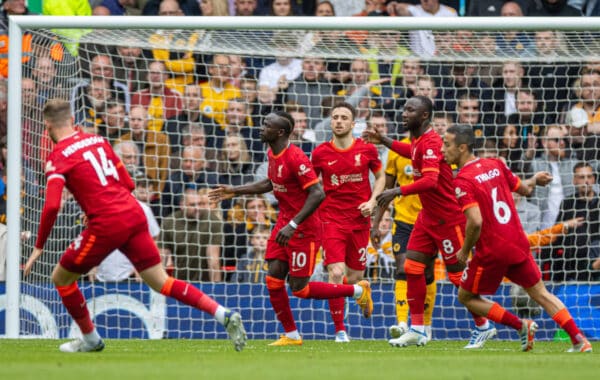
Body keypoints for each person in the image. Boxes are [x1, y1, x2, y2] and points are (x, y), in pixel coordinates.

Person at [23, 99, 247, 352]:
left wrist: (39, 247)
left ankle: (91, 340)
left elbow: (52, 206)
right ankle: (223, 314)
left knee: (61, 278)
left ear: (47, 125)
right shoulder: (99, 141)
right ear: (73, 121)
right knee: (161, 281)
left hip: (108, 222)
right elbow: (128, 183)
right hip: (133, 213)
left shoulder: (57, 156)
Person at [209, 111, 373, 346]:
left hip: (304, 229)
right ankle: (292, 335)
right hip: (285, 224)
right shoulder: (272, 153)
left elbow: (317, 193)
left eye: (266, 125)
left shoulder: (296, 157)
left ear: (280, 132)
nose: (261, 128)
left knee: (300, 289)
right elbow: (271, 182)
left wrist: (294, 224)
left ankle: (357, 291)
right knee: (273, 279)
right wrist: (234, 191)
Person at [441, 123, 592, 353]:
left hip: (492, 249)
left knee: (466, 295)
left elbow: (476, 221)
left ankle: (521, 325)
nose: (443, 149)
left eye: (447, 144)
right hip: (517, 242)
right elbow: (523, 188)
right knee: (541, 293)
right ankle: (579, 340)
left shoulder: (462, 181)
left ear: (462, 148)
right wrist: (534, 179)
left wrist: (464, 251)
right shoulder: (496, 164)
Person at [362, 96, 494, 349]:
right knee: (411, 267)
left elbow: (432, 182)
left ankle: (483, 325)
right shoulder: (418, 141)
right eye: (404, 108)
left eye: (410, 110)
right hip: (428, 218)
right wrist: (383, 140)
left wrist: (398, 191)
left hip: (448, 219)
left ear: (424, 116)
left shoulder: (432, 141)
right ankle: (418, 329)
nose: (404, 113)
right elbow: (410, 152)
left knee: (457, 278)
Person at [311, 102, 385, 342]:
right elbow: (311, 186)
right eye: (335, 117)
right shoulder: (320, 153)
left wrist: (373, 201)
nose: (339, 121)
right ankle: (340, 330)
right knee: (335, 272)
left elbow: (381, 177)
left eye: (344, 117)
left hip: (359, 221)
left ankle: (362, 290)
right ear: (331, 122)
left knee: (353, 278)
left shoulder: (367, 150)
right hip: (331, 219)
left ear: (353, 124)